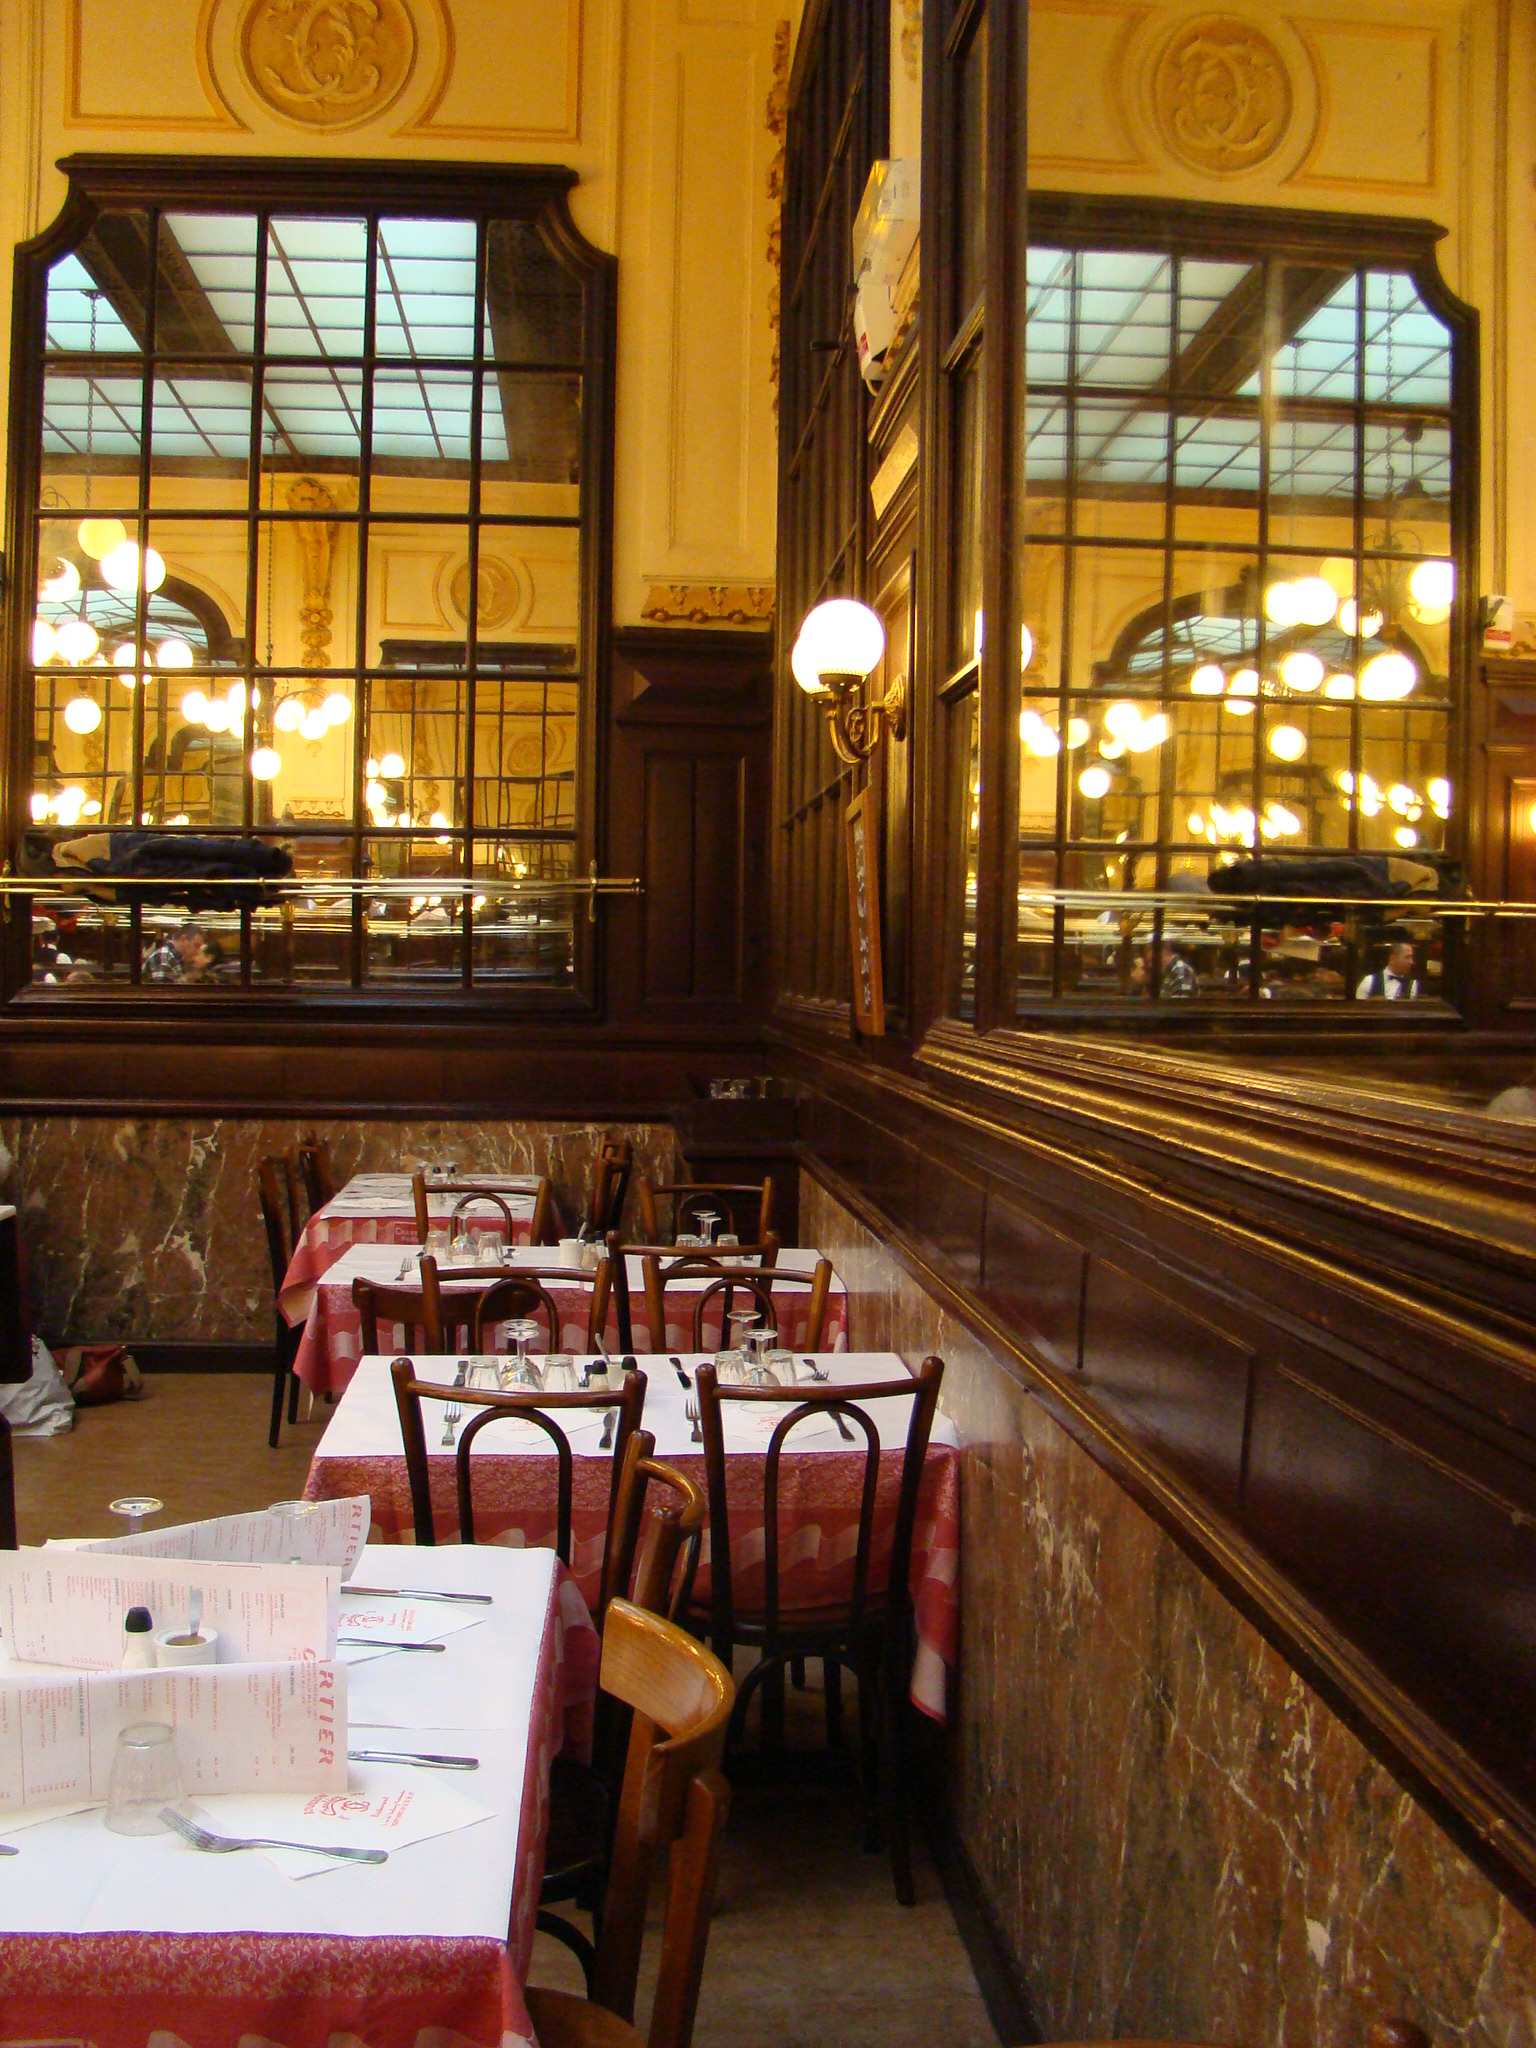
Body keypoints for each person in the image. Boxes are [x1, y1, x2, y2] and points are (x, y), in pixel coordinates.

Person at [142, 924, 211, 983]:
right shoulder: (163, 958)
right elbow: (162, 992)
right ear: (183, 939)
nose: (197, 951)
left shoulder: (177, 960)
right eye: (196, 945)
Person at [1356, 939, 1422, 1000]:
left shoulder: (1413, 985)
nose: (1411, 962)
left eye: (1411, 958)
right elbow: (1359, 1006)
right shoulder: (1369, 981)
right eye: (1407, 957)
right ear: (1393, 958)